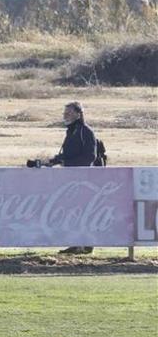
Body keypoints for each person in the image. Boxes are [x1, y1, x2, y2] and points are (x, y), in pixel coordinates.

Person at [48, 101, 98, 255]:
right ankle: (76, 244)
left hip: (83, 179)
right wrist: (52, 161)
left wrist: (66, 162)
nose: (65, 116)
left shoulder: (85, 131)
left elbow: (91, 157)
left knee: (82, 212)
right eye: (65, 113)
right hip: (71, 179)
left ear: (78, 113)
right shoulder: (72, 131)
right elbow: (68, 155)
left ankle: (85, 245)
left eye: (69, 113)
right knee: (73, 212)